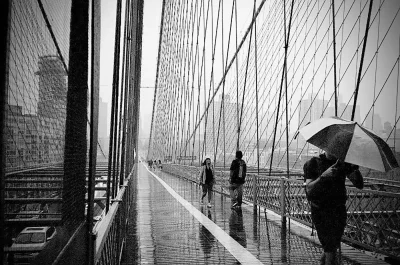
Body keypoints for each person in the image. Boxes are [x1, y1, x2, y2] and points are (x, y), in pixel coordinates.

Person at [304, 151, 363, 265]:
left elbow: (359, 184)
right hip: (320, 210)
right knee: (330, 247)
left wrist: (354, 167)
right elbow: (309, 188)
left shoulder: (342, 163)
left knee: (330, 248)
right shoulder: (314, 163)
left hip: (338, 210)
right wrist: (324, 176)